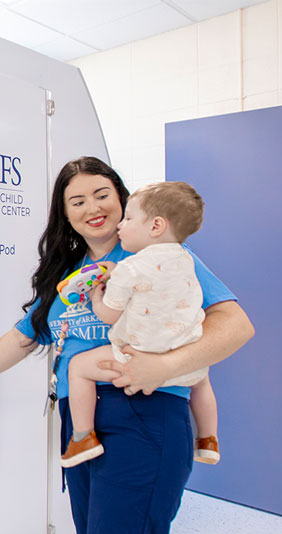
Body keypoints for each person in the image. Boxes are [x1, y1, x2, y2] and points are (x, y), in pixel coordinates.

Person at [0, 156, 254, 534]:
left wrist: (163, 367)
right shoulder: (70, 271)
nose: (92, 207)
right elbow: (24, 335)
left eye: (101, 194)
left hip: (145, 417)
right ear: (66, 213)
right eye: (77, 200)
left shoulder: (159, 255)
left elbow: (236, 325)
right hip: (81, 429)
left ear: (122, 199)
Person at [61, 181, 219, 468]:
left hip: (135, 359)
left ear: (156, 226)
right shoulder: (186, 259)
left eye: (129, 218)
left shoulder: (130, 268)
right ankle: (208, 440)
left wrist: (97, 298)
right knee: (203, 381)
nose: (122, 225)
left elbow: (110, 315)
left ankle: (82, 437)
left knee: (78, 367)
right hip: (185, 358)